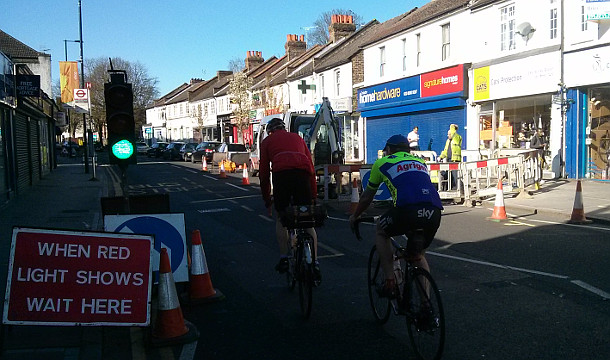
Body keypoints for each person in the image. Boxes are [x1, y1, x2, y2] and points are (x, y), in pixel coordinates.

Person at [349, 135, 443, 298]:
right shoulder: (420, 162)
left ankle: (390, 281)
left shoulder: (382, 163)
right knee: (417, 255)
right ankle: (426, 304)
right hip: (433, 211)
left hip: (407, 210)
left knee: (381, 230)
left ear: (389, 150)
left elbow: (367, 197)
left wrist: (355, 216)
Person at [259, 118, 321, 283]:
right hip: (303, 177)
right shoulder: (297, 138)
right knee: (307, 221)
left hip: (282, 177)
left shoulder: (267, 142)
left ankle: (284, 257)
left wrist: (267, 200)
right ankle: (315, 262)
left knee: (282, 217)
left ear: (269, 131)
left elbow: (264, 174)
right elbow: (311, 169)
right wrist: (313, 196)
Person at [438, 124, 462, 190]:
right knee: (450, 175)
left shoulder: (457, 137)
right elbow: (445, 150)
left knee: (455, 175)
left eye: (449, 134)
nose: (448, 136)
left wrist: (452, 126)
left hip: (455, 160)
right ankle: (451, 188)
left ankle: (459, 188)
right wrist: (441, 157)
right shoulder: (448, 141)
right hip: (449, 160)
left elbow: (453, 132)